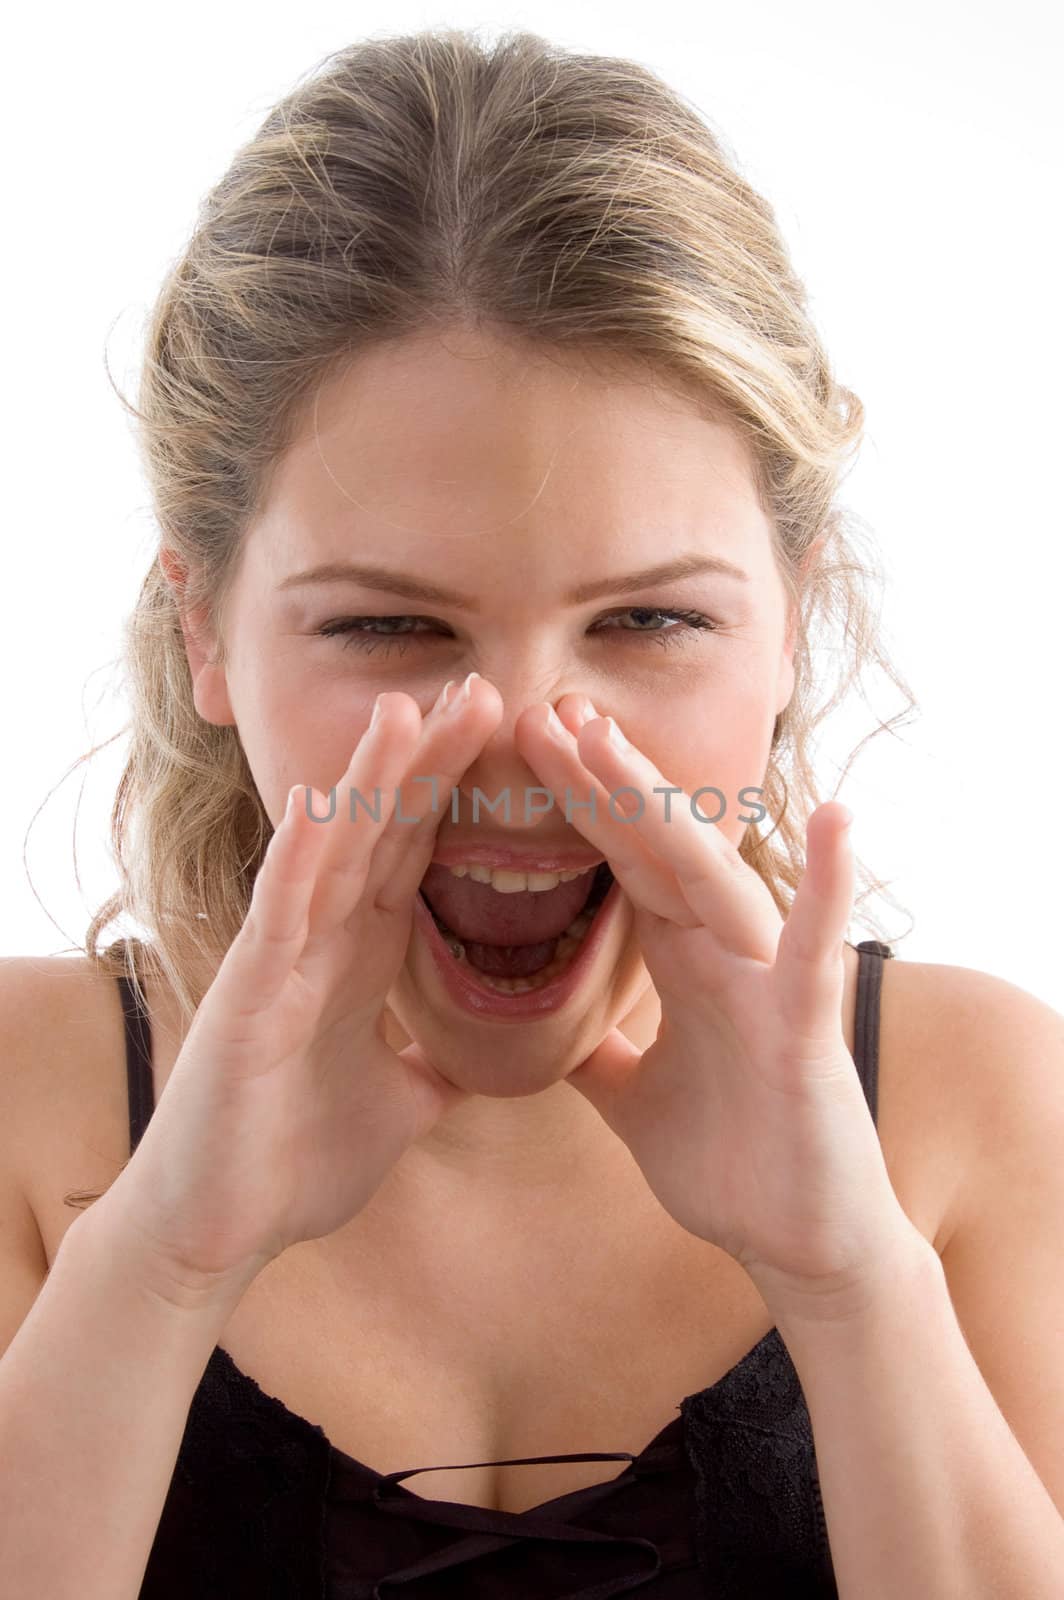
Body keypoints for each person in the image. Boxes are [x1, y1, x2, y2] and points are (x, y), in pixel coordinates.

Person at [4, 24, 1063, 1600]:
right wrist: (162, 1263)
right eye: (389, 628)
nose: (518, 751)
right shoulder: (31, 1101)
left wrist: (847, 1282)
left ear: (791, 623)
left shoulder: (979, 1100)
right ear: (205, 633)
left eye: (647, 623)